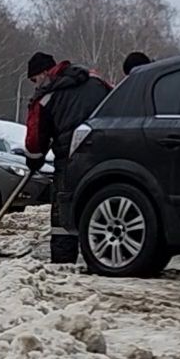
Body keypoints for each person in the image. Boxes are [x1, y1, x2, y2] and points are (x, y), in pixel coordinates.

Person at [23, 52, 113, 259]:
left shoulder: (46, 96)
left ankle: (63, 264)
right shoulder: (95, 80)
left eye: (34, 80)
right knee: (101, 205)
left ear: (44, 73)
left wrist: (34, 160)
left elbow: (35, 140)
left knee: (64, 212)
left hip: (71, 160)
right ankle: (107, 258)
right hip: (108, 154)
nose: (35, 85)